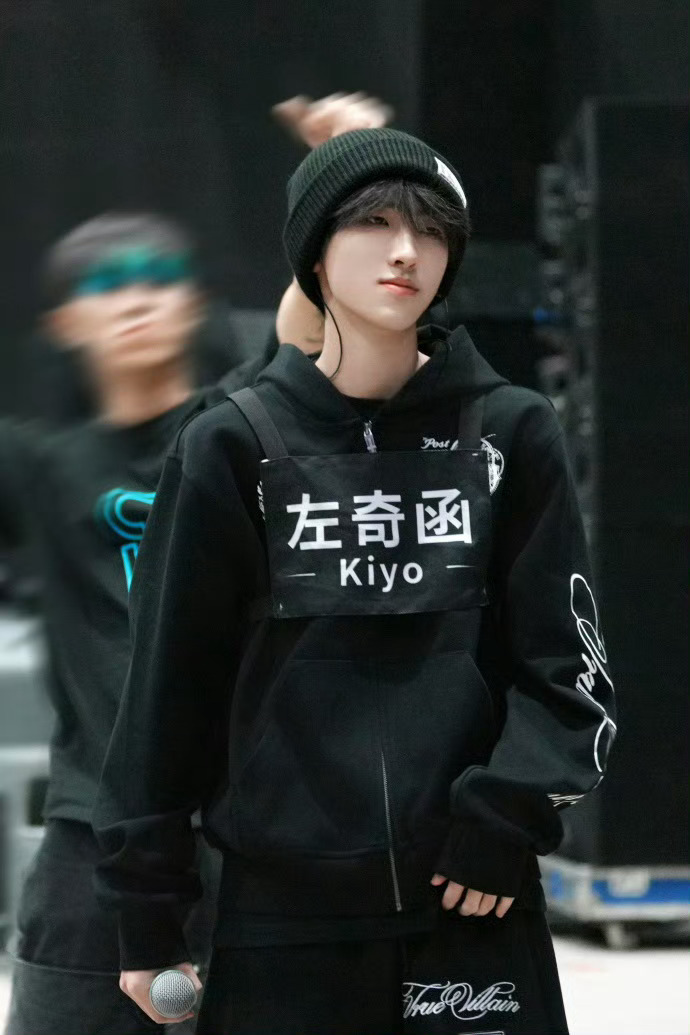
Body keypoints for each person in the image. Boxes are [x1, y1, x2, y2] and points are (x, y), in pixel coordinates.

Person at [94, 128, 616, 1034]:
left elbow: (570, 669)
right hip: (280, 916)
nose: (406, 250)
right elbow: (168, 689)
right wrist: (148, 907)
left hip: (471, 898)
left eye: (431, 230)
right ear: (314, 251)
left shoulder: (511, 431)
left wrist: (506, 814)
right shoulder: (231, 446)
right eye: (373, 223)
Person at [2, 93, 392, 1035]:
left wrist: (351, 169)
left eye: (158, 278)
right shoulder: (43, 466)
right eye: (108, 284)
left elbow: (315, 324)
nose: (137, 298)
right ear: (67, 322)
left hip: (249, 830)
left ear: (191, 303)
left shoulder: (240, 421)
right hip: (95, 837)